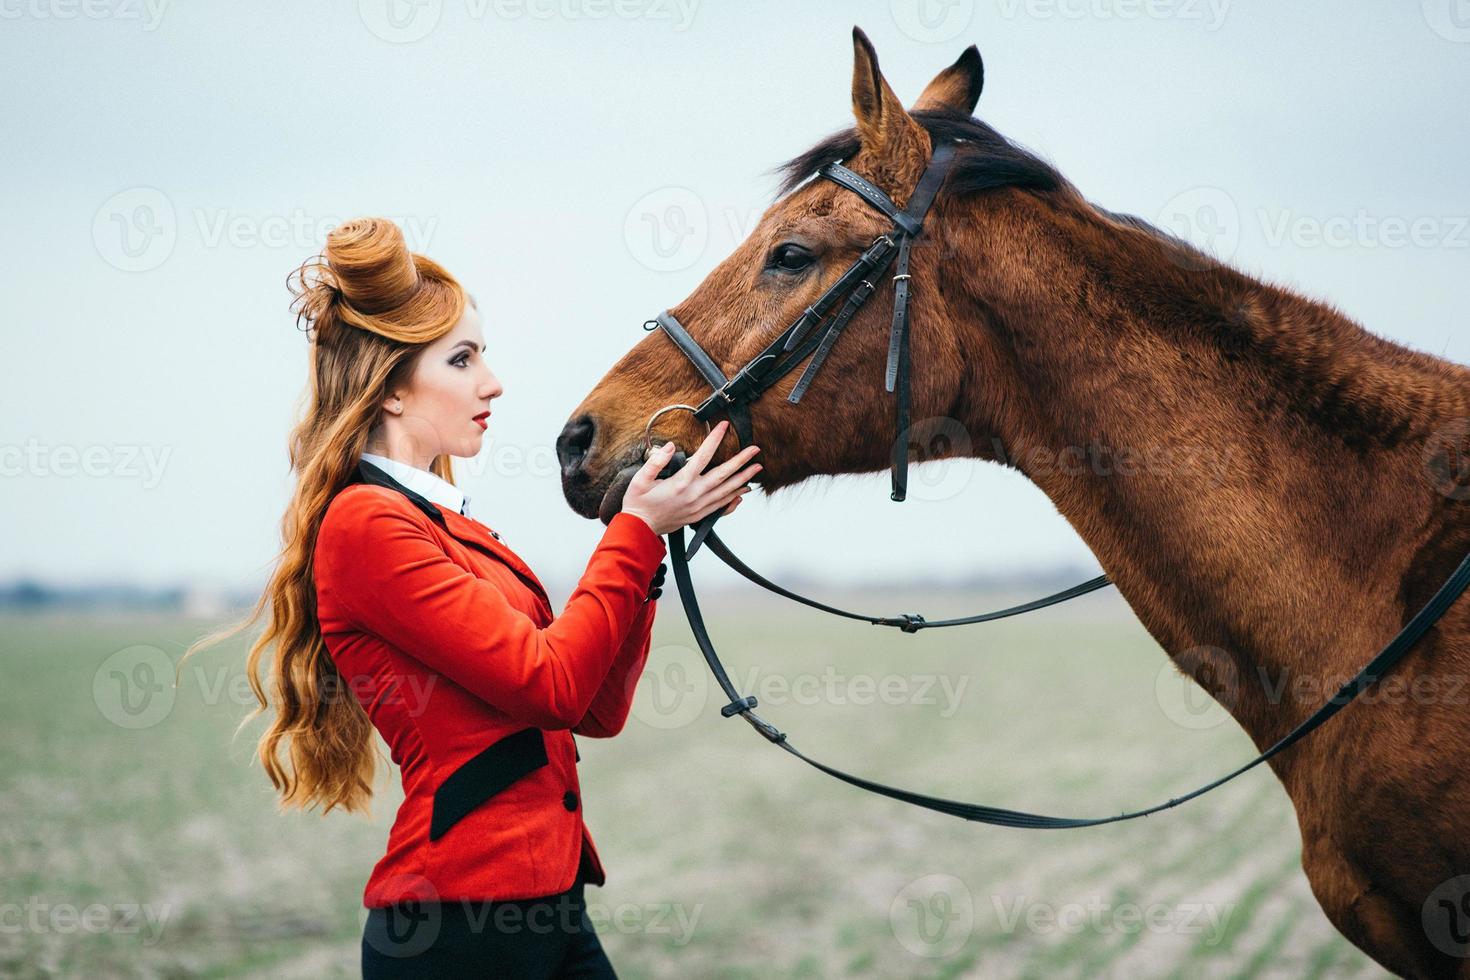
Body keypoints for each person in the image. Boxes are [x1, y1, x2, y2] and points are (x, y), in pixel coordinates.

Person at [184, 216, 760, 978]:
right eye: (463, 359)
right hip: (456, 930)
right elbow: (549, 683)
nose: (493, 381)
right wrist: (636, 531)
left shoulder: (447, 527)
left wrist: (650, 547)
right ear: (391, 387)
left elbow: (594, 709)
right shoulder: (367, 525)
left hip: (552, 908)